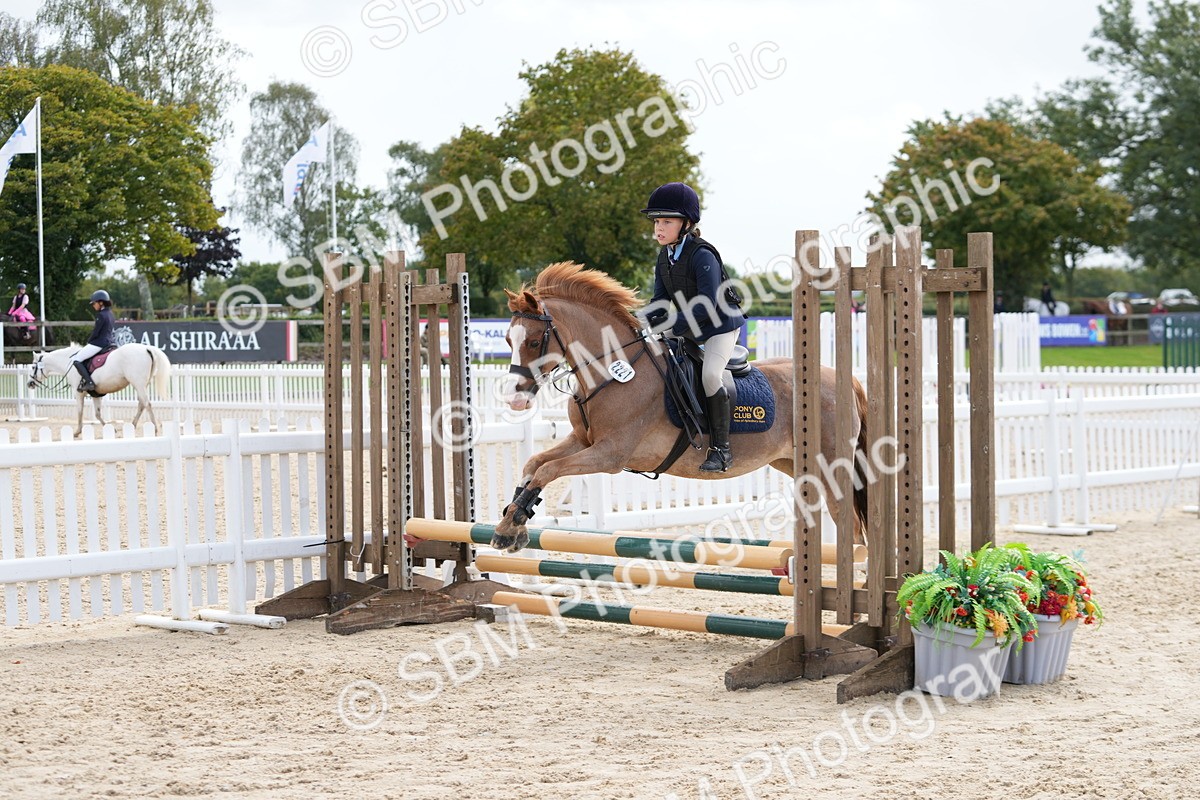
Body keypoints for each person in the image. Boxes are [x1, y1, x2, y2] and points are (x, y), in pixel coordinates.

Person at [641, 182, 745, 473]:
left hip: (719, 326)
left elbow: (708, 305)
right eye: (657, 221)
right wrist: (639, 321)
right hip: (691, 323)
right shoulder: (664, 257)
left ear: (686, 223)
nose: (658, 228)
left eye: (666, 221)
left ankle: (722, 451)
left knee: (711, 375)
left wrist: (672, 324)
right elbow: (660, 301)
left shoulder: (702, 255)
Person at [73, 290, 115, 392]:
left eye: (94, 303)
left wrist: (89, 341)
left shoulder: (101, 315)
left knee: (77, 360)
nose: (93, 306)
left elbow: (96, 333)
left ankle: (89, 382)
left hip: (99, 343)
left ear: (101, 302)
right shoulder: (110, 314)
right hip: (109, 342)